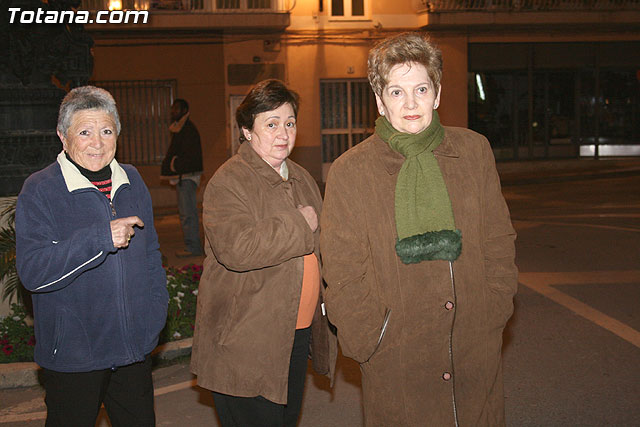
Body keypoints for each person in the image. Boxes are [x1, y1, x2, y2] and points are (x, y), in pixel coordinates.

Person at [320, 33, 518, 426]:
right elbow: (342, 273)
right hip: (397, 360)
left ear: (437, 94)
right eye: (396, 92)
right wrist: (371, 338)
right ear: (380, 101)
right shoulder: (351, 171)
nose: (410, 103)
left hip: (473, 350)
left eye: (421, 89)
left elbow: (498, 239)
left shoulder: (473, 151)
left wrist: (494, 309)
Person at [15, 86, 169, 427]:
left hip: (132, 353)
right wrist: (100, 239)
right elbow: (33, 271)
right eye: (85, 132)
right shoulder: (41, 189)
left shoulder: (132, 180)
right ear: (63, 136)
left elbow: (151, 255)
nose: (97, 143)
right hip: (75, 357)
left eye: (107, 131)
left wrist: (154, 316)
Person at [190, 79, 337, 427]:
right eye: (271, 124)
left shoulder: (301, 178)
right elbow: (237, 249)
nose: (283, 133)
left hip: (295, 333)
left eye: (290, 123)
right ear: (247, 130)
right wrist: (299, 224)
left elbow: (324, 247)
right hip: (246, 341)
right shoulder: (229, 181)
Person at [161, 98, 204, 257]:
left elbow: (189, 156)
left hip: (187, 178)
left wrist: (174, 165)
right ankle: (192, 245)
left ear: (184, 110)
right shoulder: (181, 128)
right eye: (172, 109)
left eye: (176, 109)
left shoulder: (187, 130)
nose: (173, 112)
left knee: (188, 214)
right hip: (184, 177)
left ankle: (193, 247)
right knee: (186, 214)